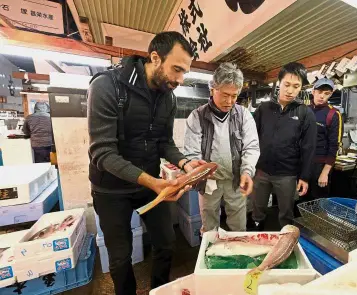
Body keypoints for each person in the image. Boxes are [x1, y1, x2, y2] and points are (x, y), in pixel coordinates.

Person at [87, 31, 206, 295]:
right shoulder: (108, 85)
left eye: (185, 71)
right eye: (176, 69)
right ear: (155, 57)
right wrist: (153, 181)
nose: (180, 79)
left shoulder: (168, 97)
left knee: (165, 243)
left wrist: (186, 164)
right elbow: (103, 153)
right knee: (120, 258)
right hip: (110, 190)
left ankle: (159, 290)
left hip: (150, 185)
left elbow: (164, 142)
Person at [183, 62, 260, 232]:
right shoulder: (197, 116)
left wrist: (247, 171)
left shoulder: (243, 115)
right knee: (209, 224)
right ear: (213, 89)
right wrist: (196, 173)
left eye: (234, 96)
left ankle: (237, 256)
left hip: (236, 180)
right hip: (209, 182)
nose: (230, 101)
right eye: (225, 95)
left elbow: (251, 147)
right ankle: (210, 253)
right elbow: (192, 153)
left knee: (238, 225)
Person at [250, 62, 317, 230]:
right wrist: (249, 167)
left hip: (287, 174)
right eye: (287, 84)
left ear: (301, 88)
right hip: (261, 171)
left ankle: (286, 244)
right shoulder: (263, 109)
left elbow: (309, 147)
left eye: (296, 86)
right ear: (279, 82)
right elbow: (252, 139)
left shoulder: (305, 113)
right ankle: (257, 234)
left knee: (286, 213)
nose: (290, 90)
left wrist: (304, 177)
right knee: (257, 209)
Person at [307, 78, 343, 199]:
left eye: (326, 93)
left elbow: (334, 145)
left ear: (331, 94)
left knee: (319, 202)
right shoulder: (304, 111)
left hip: (320, 166)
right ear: (313, 92)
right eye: (320, 92)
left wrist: (325, 172)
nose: (322, 96)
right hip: (303, 165)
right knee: (301, 200)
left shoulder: (333, 114)